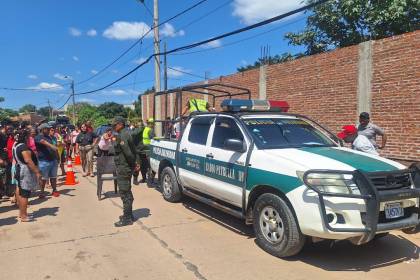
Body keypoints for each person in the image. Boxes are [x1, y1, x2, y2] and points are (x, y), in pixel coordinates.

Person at [112, 116, 138, 227]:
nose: (113, 126)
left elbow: (128, 153)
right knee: (127, 191)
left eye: (115, 124)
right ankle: (129, 214)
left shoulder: (123, 135)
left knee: (124, 193)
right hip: (124, 167)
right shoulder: (124, 134)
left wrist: (134, 165)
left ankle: (127, 218)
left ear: (120, 124)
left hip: (124, 167)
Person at [12, 129, 42, 222]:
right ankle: (24, 216)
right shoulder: (23, 147)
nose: (30, 138)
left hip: (20, 169)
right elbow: (28, 160)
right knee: (25, 194)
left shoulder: (16, 145)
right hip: (25, 171)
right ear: (25, 137)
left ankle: (22, 214)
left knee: (21, 192)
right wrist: (37, 172)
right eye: (29, 136)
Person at [35, 123, 60, 198]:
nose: (49, 130)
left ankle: (54, 190)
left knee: (53, 176)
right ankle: (42, 192)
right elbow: (43, 142)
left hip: (53, 160)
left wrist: (57, 157)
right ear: (43, 129)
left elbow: (55, 148)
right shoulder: (38, 137)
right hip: (43, 161)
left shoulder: (49, 137)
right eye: (47, 128)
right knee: (43, 178)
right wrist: (52, 146)